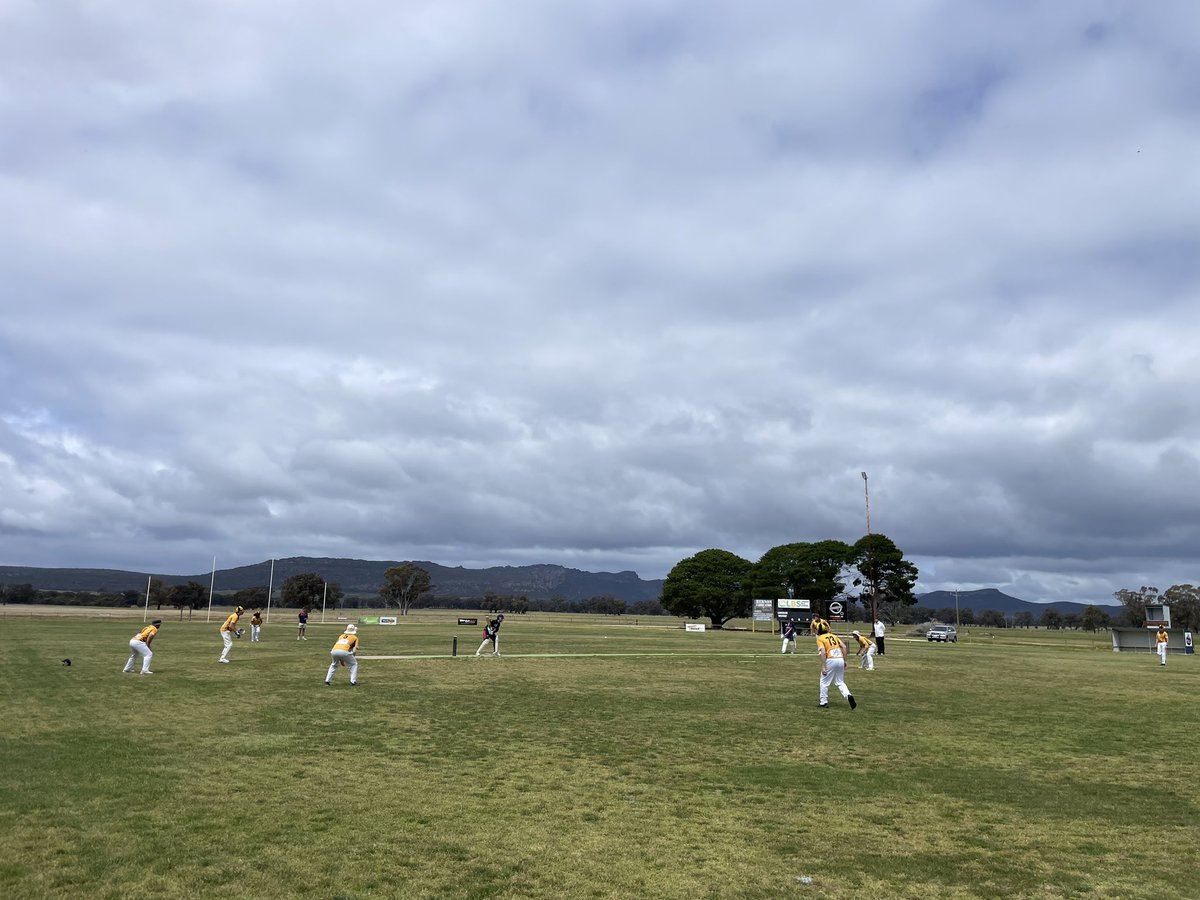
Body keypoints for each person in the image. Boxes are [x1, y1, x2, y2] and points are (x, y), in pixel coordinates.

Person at [815, 621, 856, 710]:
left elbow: (822, 652)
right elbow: (844, 647)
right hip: (840, 659)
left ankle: (823, 702)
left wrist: (823, 666)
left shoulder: (820, 638)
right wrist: (845, 661)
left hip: (830, 659)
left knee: (824, 682)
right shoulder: (833, 636)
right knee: (840, 681)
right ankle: (848, 695)